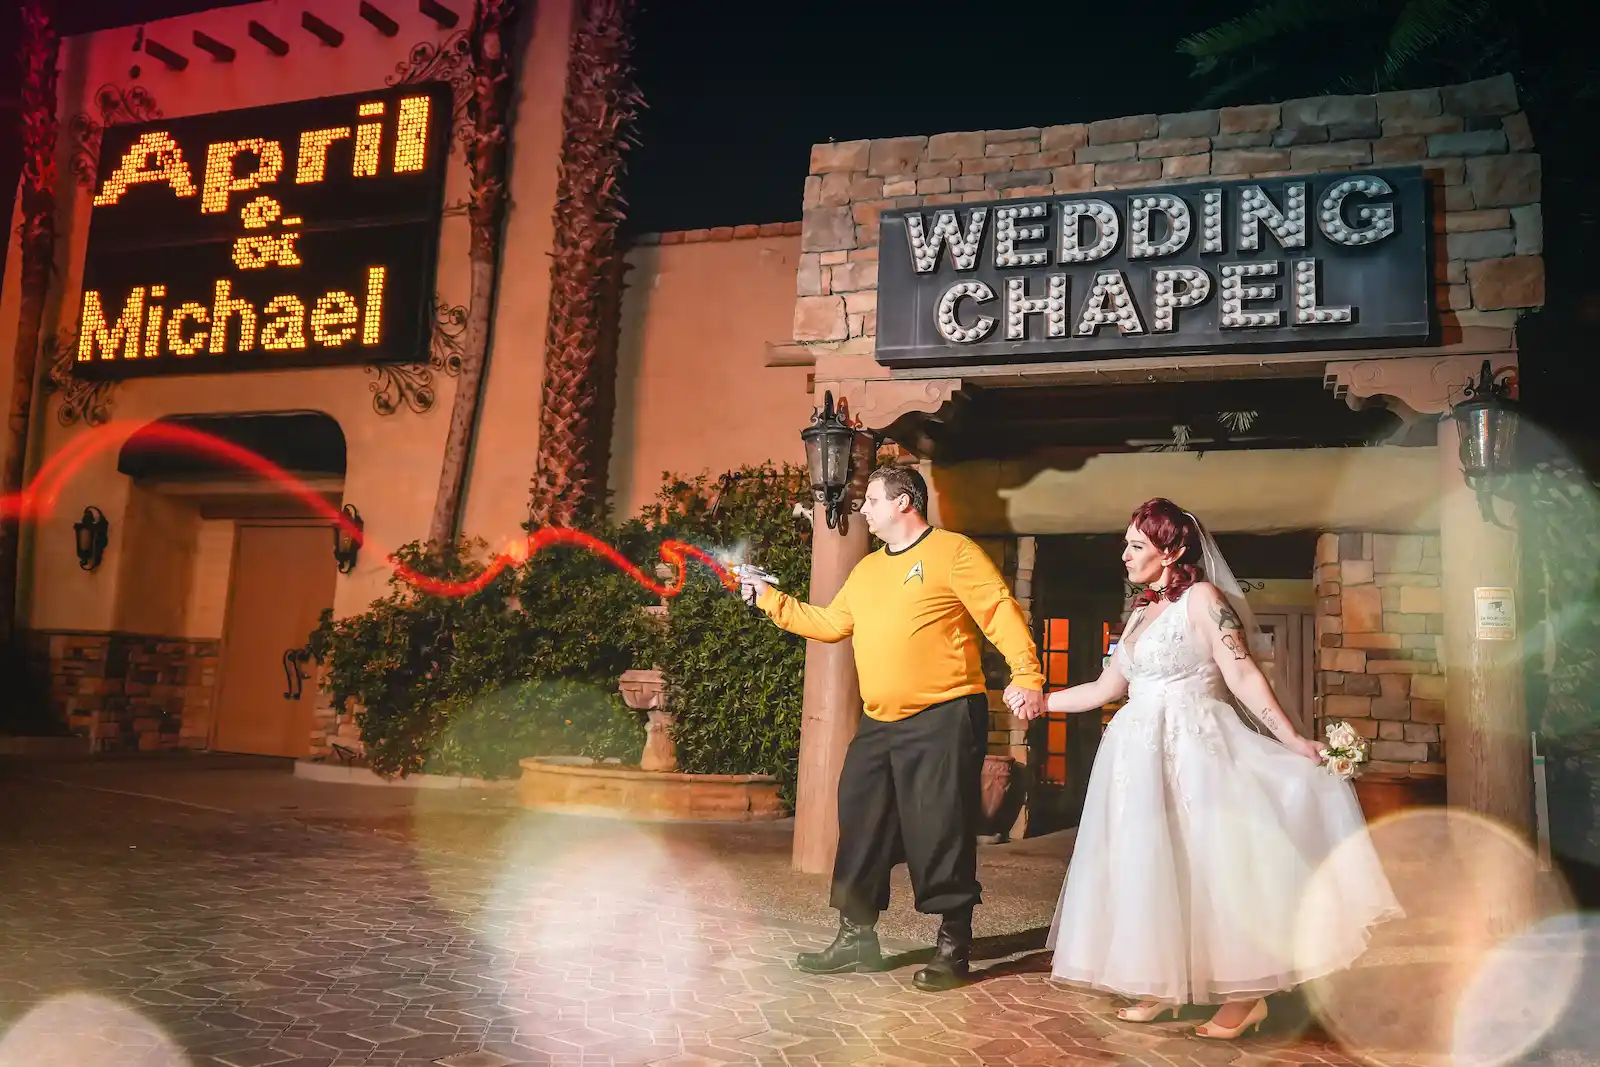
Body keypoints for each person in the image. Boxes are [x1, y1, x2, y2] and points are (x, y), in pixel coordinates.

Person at [1016, 499, 1402, 1038]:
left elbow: (1241, 675)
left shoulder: (1203, 599)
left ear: (1173, 552)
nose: (1123, 555)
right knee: (1149, 864)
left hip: (1195, 749)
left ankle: (1246, 998)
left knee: (1213, 864)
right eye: (1126, 544)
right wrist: (1043, 702)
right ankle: (1161, 983)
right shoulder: (1140, 614)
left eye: (1136, 546)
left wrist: (1290, 738)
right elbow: (1108, 689)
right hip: (1135, 756)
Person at [738, 465, 1046, 991]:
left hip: (944, 713)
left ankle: (953, 944)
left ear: (905, 502)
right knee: (861, 820)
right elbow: (832, 624)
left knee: (939, 826)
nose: (865, 511)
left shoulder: (953, 552)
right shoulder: (867, 570)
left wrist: (1029, 674)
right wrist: (770, 600)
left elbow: (998, 611)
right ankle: (857, 936)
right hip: (880, 720)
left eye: (873, 502)